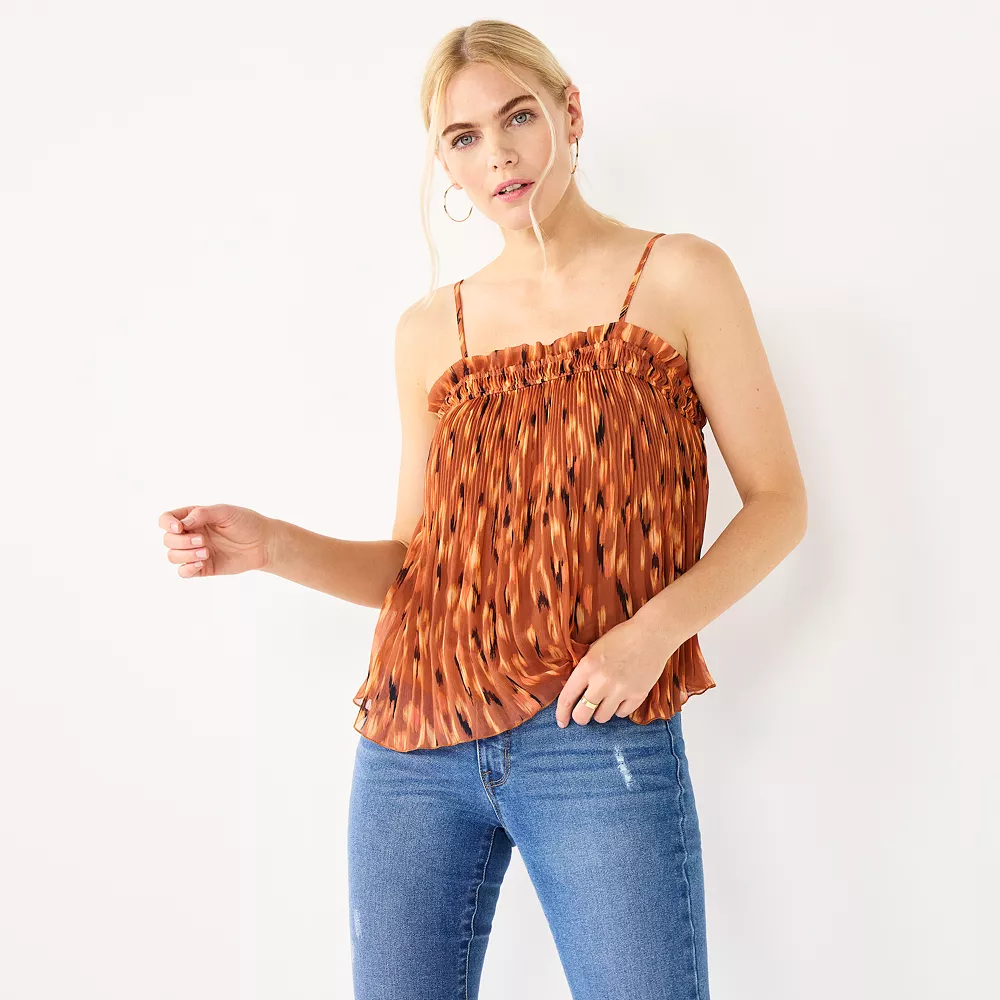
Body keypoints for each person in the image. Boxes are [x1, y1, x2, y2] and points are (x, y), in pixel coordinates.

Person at [157, 19, 807, 1000]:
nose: (497, 154)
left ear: (570, 114)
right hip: (411, 746)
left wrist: (650, 636)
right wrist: (273, 546)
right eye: (463, 136)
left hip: (596, 728)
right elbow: (412, 560)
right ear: (445, 164)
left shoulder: (679, 276)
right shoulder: (431, 329)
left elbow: (779, 503)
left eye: (518, 117)